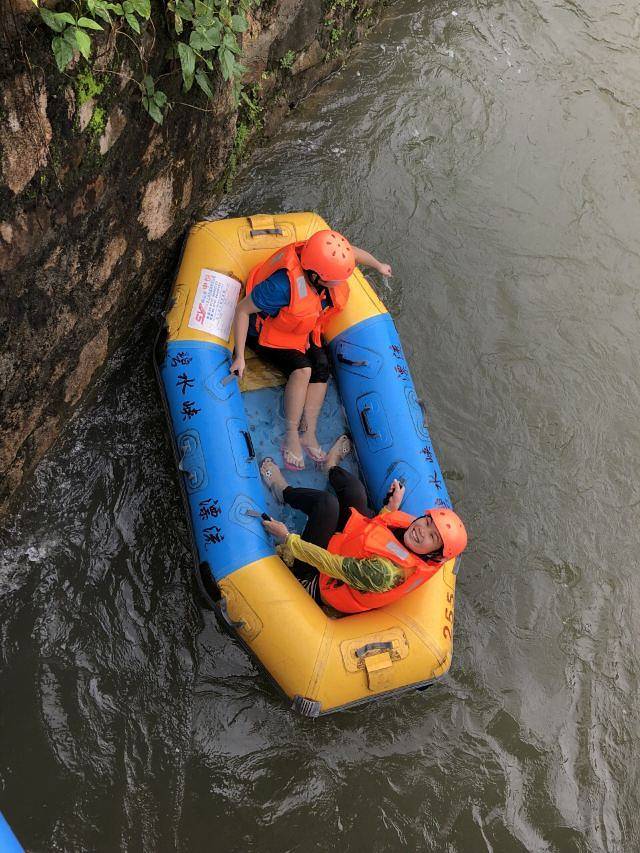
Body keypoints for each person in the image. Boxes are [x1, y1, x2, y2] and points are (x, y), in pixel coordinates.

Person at [230, 230, 392, 471]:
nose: (340, 284)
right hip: (264, 333)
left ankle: (309, 432)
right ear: (316, 276)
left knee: (322, 365)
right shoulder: (281, 286)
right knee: (302, 368)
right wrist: (240, 357)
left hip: (298, 330)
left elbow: (353, 253)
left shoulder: (322, 257)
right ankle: (292, 433)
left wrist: (379, 266)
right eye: (334, 281)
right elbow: (242, 310)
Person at [259, 436, 468, 613]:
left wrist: (288, 538)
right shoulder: (412, 533)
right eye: (428, 522)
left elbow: (332, 565)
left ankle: (282, 491)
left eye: (433, 537)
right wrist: (390, 509)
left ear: (433, 554)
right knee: (354, 490)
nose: (423, 530)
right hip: (351, 542)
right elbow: (380, 533)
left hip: (321, 575)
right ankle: (329, 466)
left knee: (326, 504)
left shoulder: (386, 573)